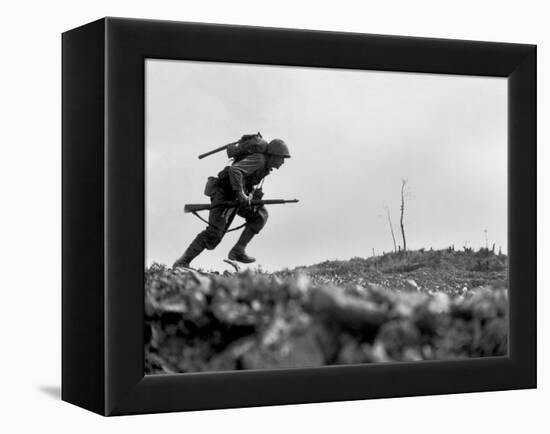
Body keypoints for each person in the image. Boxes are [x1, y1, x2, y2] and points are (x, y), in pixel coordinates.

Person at [173, 138, 291, 268]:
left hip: (236, 197)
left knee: (260, 215)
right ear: (274, 155)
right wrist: (241, 194)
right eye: (282, 158)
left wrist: (250, 195)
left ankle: (238, 250)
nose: (283, 162)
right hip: (224, 194)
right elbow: (235, 170)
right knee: (214, 235)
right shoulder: (260, 160)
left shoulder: (265, 167)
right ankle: (182, 262)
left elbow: (246, 180)